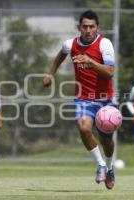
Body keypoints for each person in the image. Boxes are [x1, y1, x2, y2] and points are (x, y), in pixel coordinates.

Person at [43, 10, 116, 189]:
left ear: (98, 27)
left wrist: (90, 61)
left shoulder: (104, 44)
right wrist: (51, 74)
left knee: (106, 140)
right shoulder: (71, 44)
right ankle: (100, 164)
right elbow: (60, 55)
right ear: (79, 27)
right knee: (84, 128)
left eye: (92, 27)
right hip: (83, 98)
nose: (88, 30)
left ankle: (110, 167)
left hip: (105, 100)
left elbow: (109, 72)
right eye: (85, 27)